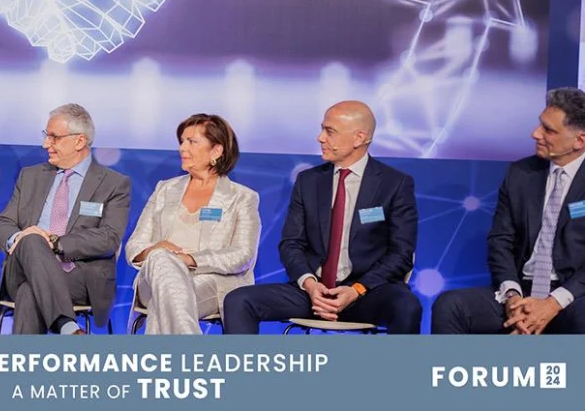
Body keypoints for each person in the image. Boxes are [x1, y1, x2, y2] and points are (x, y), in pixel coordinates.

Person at [224, 101, 421, 334]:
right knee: (239, 300)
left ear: (359, 138)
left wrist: (357, 289)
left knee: (407, 307)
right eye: (322, 129)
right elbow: (291, 244)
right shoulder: (308, 181)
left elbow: (401, 254)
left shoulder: (394, 184)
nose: (320, 138)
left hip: (366, 292)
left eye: (330, 131)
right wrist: (310, 285)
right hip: (313, 292)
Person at [432, 88, 585, 334]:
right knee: (450, 306)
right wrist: (512, 296)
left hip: (573, 295)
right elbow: (501, 240)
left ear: (579, 140)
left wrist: (553, 303)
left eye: (548, 130)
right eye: (540, 124)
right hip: (522, 289)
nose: (535, 133)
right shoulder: (521, 173)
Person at [0, 103, 131, 334]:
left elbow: (109, 238)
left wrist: (56, 243)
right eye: (46, 136)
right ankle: (68, 327)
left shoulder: (113, 184)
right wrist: (21, 238)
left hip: (78, 275)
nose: (46, 144)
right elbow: (3, 223)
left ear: (79, 141)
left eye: (54, 137)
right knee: (32, 239)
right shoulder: (30, 176)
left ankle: (55, 337)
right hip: (22, 266)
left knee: (30, 292)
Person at [125, 114, 260, 334]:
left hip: (208, 280)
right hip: (153, 277)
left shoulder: (242, 197)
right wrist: (157, 250)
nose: (182, 148)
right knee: (161, 259)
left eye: (192, 142)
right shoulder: (165, 189)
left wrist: (190, 260)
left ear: (216, 151)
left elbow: (243, 255)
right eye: (182, 141)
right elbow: (134, 246)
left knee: (165, 302)